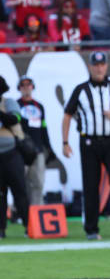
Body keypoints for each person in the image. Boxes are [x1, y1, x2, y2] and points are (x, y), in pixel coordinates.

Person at [61, 51, 110, 240]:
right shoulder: (80, 90)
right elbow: (68, 115)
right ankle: (92, 229)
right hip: (89, 142)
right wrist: (65, 142)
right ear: (90, 66)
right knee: (90, 185)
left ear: (107, 66)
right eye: (96, 64)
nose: (99, 68)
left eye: (102, 64)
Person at [0, 75, 29, 239]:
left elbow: (15, 119)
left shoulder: (9, 102)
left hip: (12, 153)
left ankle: (28, 226)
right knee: (0, 195)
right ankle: (1, 229)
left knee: (20, 191)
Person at [17, 75, 53, 206]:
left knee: (38, 182)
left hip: (38, 150)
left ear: (32, 87)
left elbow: (44, 128)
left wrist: (48, 147)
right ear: (19, 88)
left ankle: (37, 210)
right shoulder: (16, 105)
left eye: (28, 85)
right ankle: (22, 212)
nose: (26, 88)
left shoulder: (39, 106)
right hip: (22, 150)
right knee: (22, 182)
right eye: (23, 85)